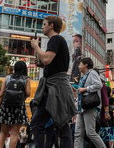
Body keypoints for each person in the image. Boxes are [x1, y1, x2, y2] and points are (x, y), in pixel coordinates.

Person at [30, 16, 76, 147]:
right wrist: (42, 64)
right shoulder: (58, 40)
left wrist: (36, 46)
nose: (42, 27)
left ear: (51, 25)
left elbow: (46, 59)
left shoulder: (55, 39)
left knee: (40, 123)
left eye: (44, 24)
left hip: (54, 87)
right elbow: (50, 63)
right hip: (55, 86)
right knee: (61, 123)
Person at [0, 61, 30, 148]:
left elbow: (1, 94)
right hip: (18, 107)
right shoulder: (26, 79)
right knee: (14, 134)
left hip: (6, 107)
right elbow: (28, 93)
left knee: (3, 132)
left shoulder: (7, 78)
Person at [74, 57, 106, 148]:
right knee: (78, 133)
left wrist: (85, 89)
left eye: (80, 64)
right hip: (82, 107)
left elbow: (98, 85)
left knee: (90, 132)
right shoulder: (84, 76)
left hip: (90, 106)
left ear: (86, 65)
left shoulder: (92, 72)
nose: (78, 66)